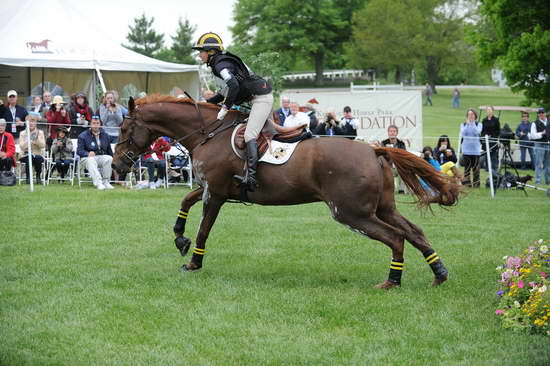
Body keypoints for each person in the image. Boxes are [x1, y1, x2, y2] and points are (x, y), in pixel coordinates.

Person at [193, 32, 273, 192]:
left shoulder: (220, 65)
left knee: (250, 135)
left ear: (210, 52)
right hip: (256, 98)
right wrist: (207, 103)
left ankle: (251, 178)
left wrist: (225, 108)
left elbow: (234, 85)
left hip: (261, 99)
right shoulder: (223, 62)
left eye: (201, 51)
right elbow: (226, 89)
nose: (199, 55)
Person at [77, 116, 114, 190]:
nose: (96, 125)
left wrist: (114, 159)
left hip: (100, 156)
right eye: (93, 123)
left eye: (97, 123)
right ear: (90, 124)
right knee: (91, 159)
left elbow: (109, 151)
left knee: (109, 158)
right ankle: (98, 183)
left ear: (100, 124)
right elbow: (79, 151)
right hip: (86, 158)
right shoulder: (83, 136)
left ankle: (106, 182)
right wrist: (87, 154)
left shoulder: (105, 135)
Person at [19, 113, 46, 184]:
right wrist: (28, 141)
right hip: (25, 154)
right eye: (29, 121)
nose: (31, 123)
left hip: (37, 154)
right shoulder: (22, 133)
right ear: (26, 123)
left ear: (36, 123)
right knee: (29, 158)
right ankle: (28, 178)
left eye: (33, 121)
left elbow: (43, 145)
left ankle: (38, 176)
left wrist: (36, 141)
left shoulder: (40, 132)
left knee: (38, 158)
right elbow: (21, 146)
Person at [460, 108, 483, 188]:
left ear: (475, 116)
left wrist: (472, 124)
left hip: (476, 151)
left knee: (476, 169)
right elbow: (463, 133)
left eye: (472, 114)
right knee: (467, 169)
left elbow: (477, 132)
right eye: (469, 114)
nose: (471, 116)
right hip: (466, 150)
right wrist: (467, 124)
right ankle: (467, 184)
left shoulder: (478, 124)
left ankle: (476, 184)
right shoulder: (463, 124)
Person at [529, 107, 550, 185]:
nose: (541, 114)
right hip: (539, 145)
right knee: (538, 164)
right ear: (538, 115)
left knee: (548, 165)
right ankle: (538, 181)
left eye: (543, 113)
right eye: (540, 113)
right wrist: (542, 133)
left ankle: (548, 181)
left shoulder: (548, 122)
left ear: (545, 113)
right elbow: (533, 135)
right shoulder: (534, 123)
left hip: (548, 144)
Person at [481, 106, 500, 173]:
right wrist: (484, 136)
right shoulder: (484, 120)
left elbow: (498, 130)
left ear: (492, 111)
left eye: (490, 110)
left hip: (493, 139)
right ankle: (487, 167)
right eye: (487, 110)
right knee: (487, 153)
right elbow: (482, 130)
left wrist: (493, 136)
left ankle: (494, 167)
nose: (489, 111)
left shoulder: (496, 120)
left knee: (493, 154)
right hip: (486, 140)